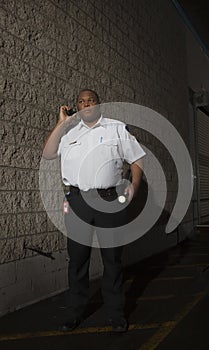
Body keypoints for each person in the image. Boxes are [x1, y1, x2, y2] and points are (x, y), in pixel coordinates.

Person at [43, 89, 146, 332]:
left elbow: (137, 159)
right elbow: (47, 153)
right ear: (76, 107)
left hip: (110, 200)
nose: (86, 104)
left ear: (99, 104)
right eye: (81, 101)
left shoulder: (116, 128)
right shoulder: (69, 134)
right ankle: (74, 313)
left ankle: (115, 314)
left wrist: (134, 186)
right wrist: (60, 124)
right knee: (77, 260)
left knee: (112, 259)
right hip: (77, 201)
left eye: (91, 100)